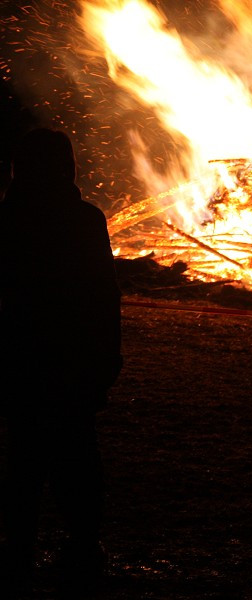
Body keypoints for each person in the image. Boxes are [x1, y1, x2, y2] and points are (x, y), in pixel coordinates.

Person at [0, 128, 123, 595]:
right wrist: (107, 354)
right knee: (75, 455)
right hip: (69, 356)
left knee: (25, 457)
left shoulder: (8, 219)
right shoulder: (83, 219)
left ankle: (20, 548)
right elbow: (102, 294)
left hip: (23, 355)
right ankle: (81, 544)